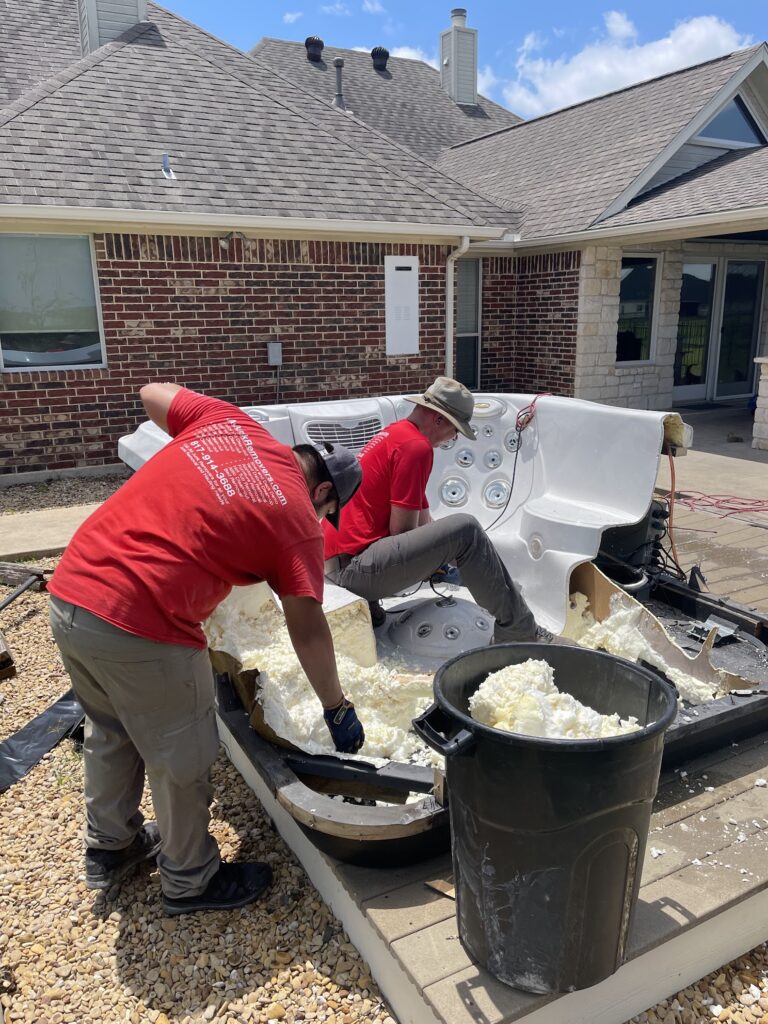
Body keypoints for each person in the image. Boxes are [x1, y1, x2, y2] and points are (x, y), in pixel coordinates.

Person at [48, 383, 364, 916]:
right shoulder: (296, 522)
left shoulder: (231, 423)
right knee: (182, 755)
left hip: (73, 591)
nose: (320, 522)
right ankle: (191, 880)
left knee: (112, 727)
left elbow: (150, 393)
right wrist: (337, 706)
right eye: (326, 513)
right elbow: (307, 628)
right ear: (325, 496)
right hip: (143, 622)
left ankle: (112, 847)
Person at [324, 376, 538, 642]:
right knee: (467, 529)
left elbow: (425, 521)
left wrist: (473, 568)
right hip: (353, 571)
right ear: (439, 419)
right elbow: (402, 532)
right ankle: (521, 632)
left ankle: (372, 606)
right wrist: (447, 558)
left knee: (461, 540)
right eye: (456, 429)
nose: (455, 437)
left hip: (337, 563)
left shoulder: (397, 433)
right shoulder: (417, 448)